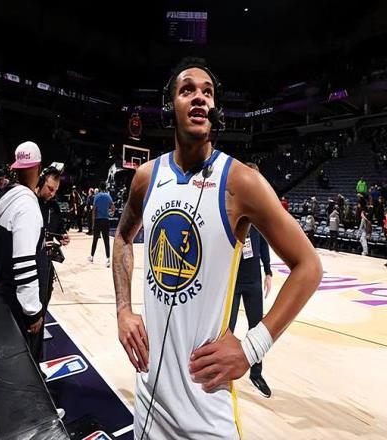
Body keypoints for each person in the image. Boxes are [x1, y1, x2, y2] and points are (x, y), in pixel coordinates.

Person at [113, 57, 322, 440]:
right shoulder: (146, 177)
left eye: (207, 92)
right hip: (147, 402)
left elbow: (308, 265)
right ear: (169, 107)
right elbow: (124, 238)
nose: (199, 97)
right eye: (187, 90)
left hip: (206, 410)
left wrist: (252, 347)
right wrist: (123, 310)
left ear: (216, 111)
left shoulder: (241, 182)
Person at [0, 141, 44, 359]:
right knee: (23, 361)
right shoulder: (26, 204)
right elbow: (24, 263)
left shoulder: (4, 197)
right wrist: (33, 311)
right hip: (17, 303)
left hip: (1, 293)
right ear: (38, 167)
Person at [228, 162, 273, 398]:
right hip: (233, 279)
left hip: (253, 277)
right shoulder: (231, 208)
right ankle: (223, 372)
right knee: (228, 327)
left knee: (257, 327)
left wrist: (268, 271)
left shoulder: (260, 212)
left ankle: (256, 373)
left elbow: (263, 243)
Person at [35, 166, 70, 358]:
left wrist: (63, 237)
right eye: (50, 188)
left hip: (46, 265)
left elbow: (59, 229)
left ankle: (37, 354)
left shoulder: (54, 207)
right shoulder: (30, 203)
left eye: (55, 190)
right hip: (30, 266)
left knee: (43, 306)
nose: (52, 193)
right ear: (40, 183)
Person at [89, 181, 115, 266]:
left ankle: (92, 257)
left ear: (100, 188)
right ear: (105, 187)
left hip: (98, 220)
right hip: (105, 220)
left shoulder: (97, 196)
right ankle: (108, 259)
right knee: (106, 241)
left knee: (95, 240)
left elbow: (94, 210)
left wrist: (93, 223)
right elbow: (113, 208)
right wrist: (111, 213)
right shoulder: (108, 196)